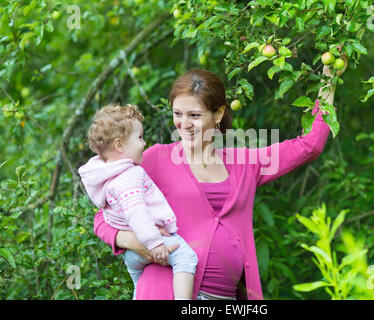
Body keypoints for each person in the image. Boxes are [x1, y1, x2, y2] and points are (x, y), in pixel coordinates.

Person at [93, 62, 346, 300]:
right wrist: (132, 242)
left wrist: (329, 78)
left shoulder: (245, 163)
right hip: (163, 290)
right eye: (178, 114)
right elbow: (104, 217)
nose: (184, 124)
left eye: (194, 115)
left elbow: (310, 145)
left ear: (218, 113)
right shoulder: (155, 159)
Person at [78, 104, 198, 300]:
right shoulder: (129, 176)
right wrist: (155, 244)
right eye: (140, 138)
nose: (144, 143)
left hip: (131, 254)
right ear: (119, 145)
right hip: (149, 242)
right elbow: (137, 214)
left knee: (139, 285)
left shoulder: (105, 173)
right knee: (186, 257)